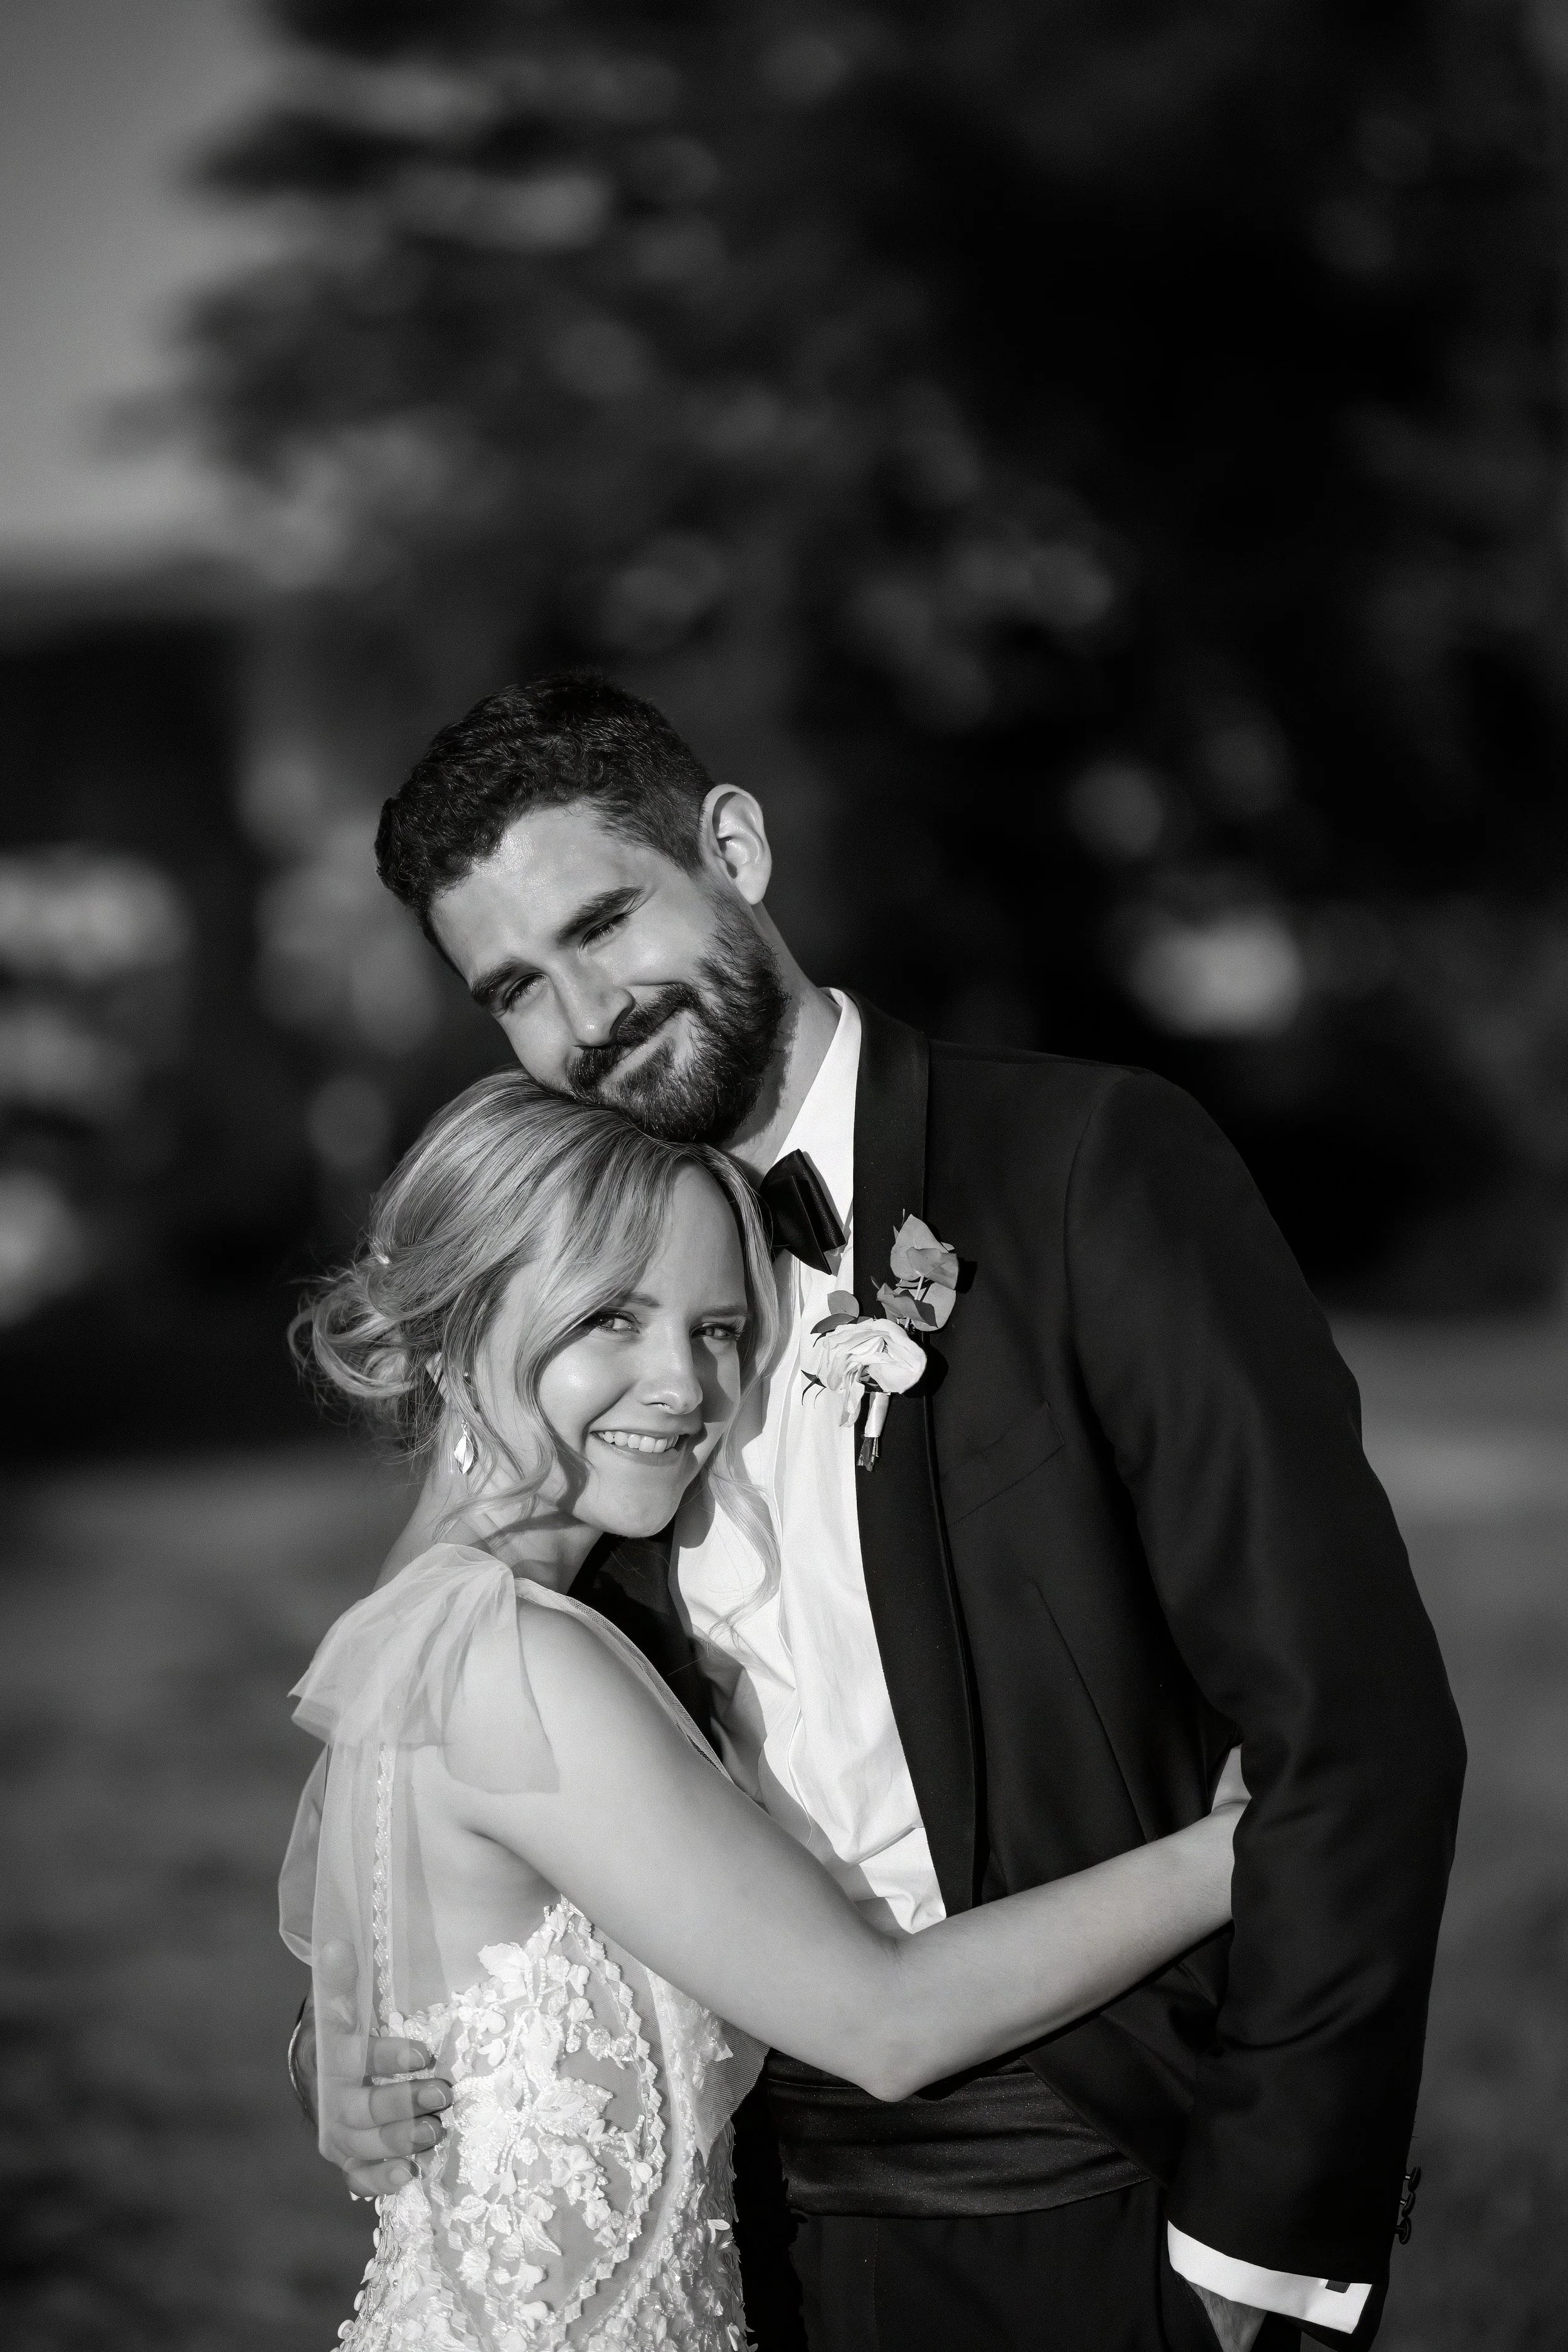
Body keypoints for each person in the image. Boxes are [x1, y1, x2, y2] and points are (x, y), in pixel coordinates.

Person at [295, 674, 1465, 2351]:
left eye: (604, 921)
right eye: (515, 991)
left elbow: (1355, 1731)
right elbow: (412, 1706)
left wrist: (1260, 2245)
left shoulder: (1082, 1170)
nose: (585, 1018)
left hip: (1099, 2199)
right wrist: (359, 2035)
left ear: (735, 847)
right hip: (732, 2223)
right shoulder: (564, 1324)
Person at [283, 1074, 1248, 2351]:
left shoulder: (407, 1625)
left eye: (720, 1328)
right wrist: (1239, 1850)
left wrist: (329, 2062)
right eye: (610, 1317)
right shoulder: (511, 1657)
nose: (683, 1383)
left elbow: (413, 1986)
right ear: (453, 1324)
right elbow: (880, 2022)